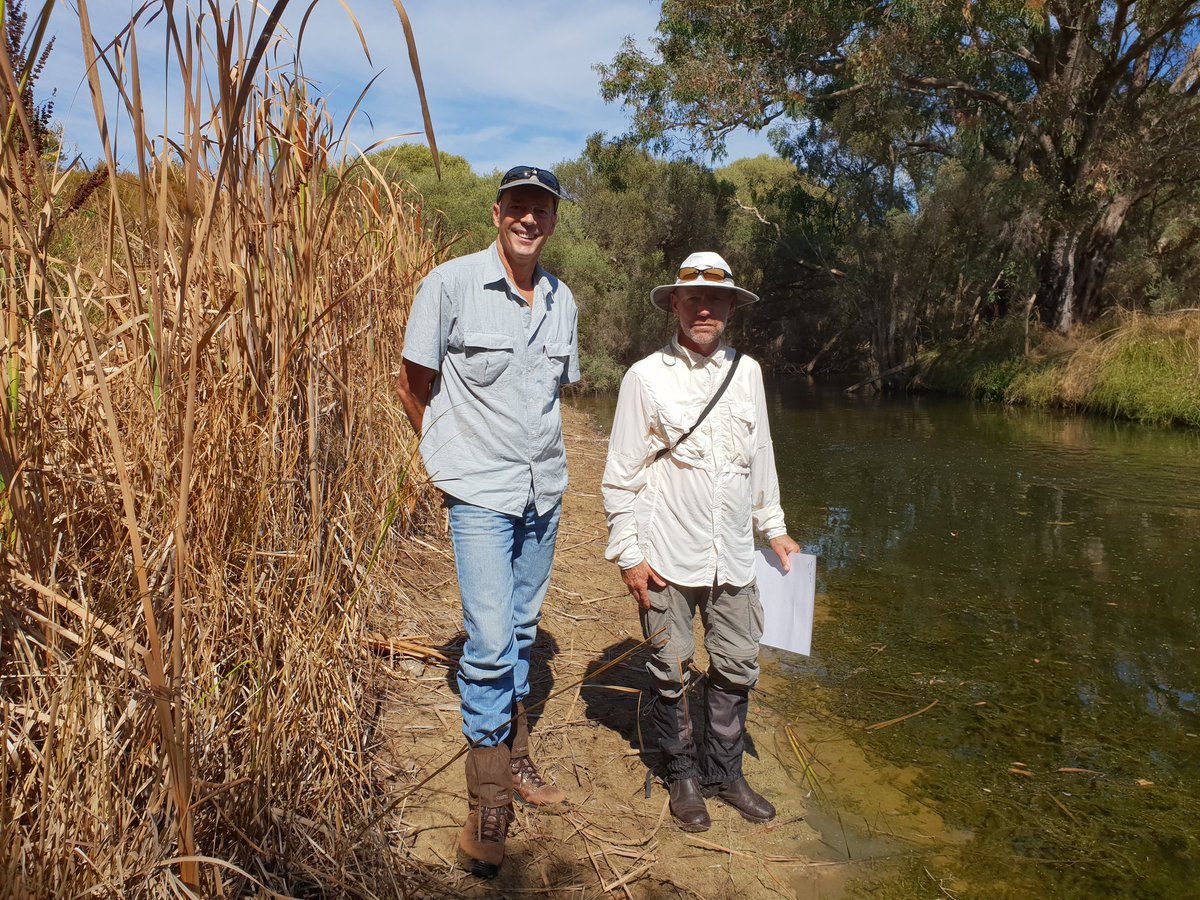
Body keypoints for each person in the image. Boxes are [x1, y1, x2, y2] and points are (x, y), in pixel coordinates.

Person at [396, 165, 579, 877]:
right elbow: (414, 382)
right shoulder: (450, 284)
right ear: (498, 211)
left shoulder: (563, 300)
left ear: (553, 221)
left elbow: (550, 395)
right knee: (492, 639)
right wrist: (446, 460)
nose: (530, 219)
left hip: (545, 491)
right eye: (519, 206)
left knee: (525, 631)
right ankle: (489, 800)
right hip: (478, 491)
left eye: (543, 209)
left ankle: (518, 753)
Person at [601, 251, 801, 832]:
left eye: (716, 300)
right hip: (665, 553)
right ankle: (683, 773)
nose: (705, 308)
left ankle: (726, 772)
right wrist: (630, 555)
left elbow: (760, 457)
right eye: (693, 299)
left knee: (737, 664)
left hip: (734, 555)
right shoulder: (644, 377)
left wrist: (777, 528)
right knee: (669, 667)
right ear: (675, 305)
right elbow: (621, 474)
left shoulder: (750, 374)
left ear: (732, 308)